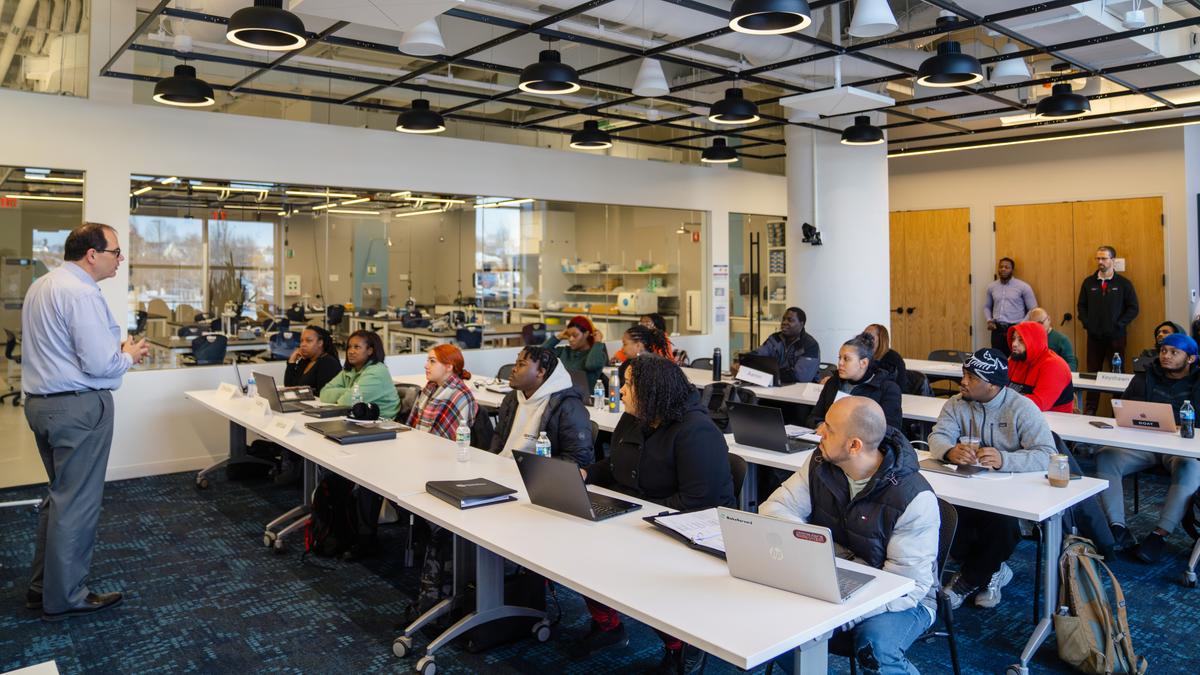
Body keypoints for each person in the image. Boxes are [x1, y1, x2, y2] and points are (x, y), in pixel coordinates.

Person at [21, 222, 149, 621]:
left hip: (42, 404)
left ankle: (43, 588)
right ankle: (66, 597)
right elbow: (98, 363)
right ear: (92, 254)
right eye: (115, 252)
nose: (120, 259)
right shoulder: (80, 293)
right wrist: (128, 355)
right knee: (77, 504)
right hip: (77, 409)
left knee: (59, 498)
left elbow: (64, 349)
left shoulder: (43, 285)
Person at [575, 356, 734, 672]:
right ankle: (608, 626)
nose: (620, 391)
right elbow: (618, 464)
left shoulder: (696, 431)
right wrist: (586, 474)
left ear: (652, 390)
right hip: (642, 518)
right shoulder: (636, 418)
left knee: (622, 561)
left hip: (693, 531)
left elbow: (697, 502)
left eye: (629, 385)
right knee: (576, 550)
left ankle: (681, 645)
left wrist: (634, 512)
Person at [762, 397, 939, 675]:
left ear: (854, 445)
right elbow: (775, 509)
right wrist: (821, 550)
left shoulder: (914, 498)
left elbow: (908, 585)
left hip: (904, 599)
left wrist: (844, 611)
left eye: (829, 428)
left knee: (875, 648)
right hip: (834, 576)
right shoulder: (820, 462)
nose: (819, 430)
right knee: (775, 624)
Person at [928, 349, 1055, 610]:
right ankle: (993, 568)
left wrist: (1004, 460)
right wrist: (950, 451)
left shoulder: (1021, 408)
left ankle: (967, 580)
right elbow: (937, 437)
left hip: (1012, 494)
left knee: (1002, 524)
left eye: (971, 378)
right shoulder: (956, 404)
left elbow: (1047, 454)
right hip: (967, 487)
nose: (963, 382)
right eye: (964, 375)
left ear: (993, 384)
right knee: (941, 511)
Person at [1093, 333, 1200, 562]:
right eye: (1163, 350)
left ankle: (1159, 535)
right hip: (1144, 444)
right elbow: (1122, 409)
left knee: (1191, 468)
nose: (1165, 356)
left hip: (1180, 449)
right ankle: (1118, 527)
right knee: (1106, 456)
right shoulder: (1144, 377)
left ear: (1190, 359)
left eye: (1174, 352)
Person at [489, 346, 593, 466]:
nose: (513, 369)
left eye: (521, 365)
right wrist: (492, 463)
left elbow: (578, 458)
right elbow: (499, 438)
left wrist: (536, 469)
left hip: (540, 474)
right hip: (505, 467)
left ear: (541, 372)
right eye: (516, 364)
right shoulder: (512, 398)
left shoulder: (569, 406)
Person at [273, 325, 342, 484]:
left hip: (317, 415)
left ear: (321, 343)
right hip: (302, 410)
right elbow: (290, 387)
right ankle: (293, 467)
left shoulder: (327, 363)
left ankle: (297, 470)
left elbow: (323, 396)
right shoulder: (306, 361)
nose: (303, 344)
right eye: (302, 341)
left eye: (308, 341)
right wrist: (291, 362)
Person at [1077, 245, 1139, 414]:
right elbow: (1081, 306)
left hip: (1116, 338)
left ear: (1113, 260)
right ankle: (1089, 412)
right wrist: (1087, 323)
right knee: (1093, 375)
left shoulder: (1123, 284)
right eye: (1098, 258)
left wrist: (1119, 324)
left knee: (1116, 376)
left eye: (1104, 258)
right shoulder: (1089, 283)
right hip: (1094, 337)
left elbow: (1133, 308)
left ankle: (1117, 412)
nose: (1100, 262)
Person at [808, 333, 903, 431]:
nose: (840, 363)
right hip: (830, 441)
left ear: (863, 363)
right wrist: (820, 425)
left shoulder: (888, 389)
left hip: (865, 444)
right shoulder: (833, 383)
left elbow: (891, 430)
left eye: (846, 359)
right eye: (839, 358)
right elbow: (814, 417)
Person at [320, 330, 400, 419]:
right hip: (357, 419)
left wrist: (350, 393)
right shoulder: (351, 369)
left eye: (356, 347)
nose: (350, 351)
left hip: (381, 423)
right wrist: (350, 391)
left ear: (370, 351)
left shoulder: (376, 372)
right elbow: (324, 394)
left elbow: (346, 402)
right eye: (349, 347)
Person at [1007, 321, 1075, 413]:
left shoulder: (1054, 365)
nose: (1014, 344)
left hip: (1053, 423)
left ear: (1034, 341)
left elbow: (1039, 403)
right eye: (1013, 338)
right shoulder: (1016, 359)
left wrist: (1001, 401)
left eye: (1021, 340)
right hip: (1019, 416)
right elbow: (1000, 389)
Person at [750, 306, 820, 383]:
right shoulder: (775, 338)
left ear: (801, 324)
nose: (784, 322)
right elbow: (758, 355)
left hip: (801, 390)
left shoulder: (810, 345)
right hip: (776, 385)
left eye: (790, 320)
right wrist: (745, 362)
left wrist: (768, 372)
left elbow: (801, 377)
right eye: (783, 319)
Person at [984, 257, 1038, 355]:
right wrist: (989, 320)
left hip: (1016, 330)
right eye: (1001, 267)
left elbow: (1033, 309)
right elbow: (987, 306)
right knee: (997, 358)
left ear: (1012, 270)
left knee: (1015, 359)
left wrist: (1021, 325)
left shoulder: (1023, 287)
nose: (1003, 269)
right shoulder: (991, 287)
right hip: (997, 330)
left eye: (1007, 267)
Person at [543, 315, 608, 391]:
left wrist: (597, 342)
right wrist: (558, 337)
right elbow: (540, 354)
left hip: (584, 400)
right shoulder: (564, 351)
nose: (570, 339)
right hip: (560, 395)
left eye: (575, 335)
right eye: (569, 335)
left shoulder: (597, 355)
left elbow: (591, 365)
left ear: (586, 334)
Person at [864, 323, 906, 388]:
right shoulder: (861, 355)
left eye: (869, 336)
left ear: (881, 339)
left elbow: (900, 386)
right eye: (863, 336)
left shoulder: (893, 359)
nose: (864, 339)